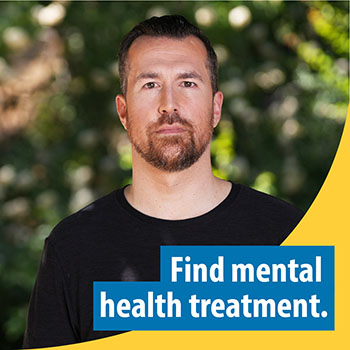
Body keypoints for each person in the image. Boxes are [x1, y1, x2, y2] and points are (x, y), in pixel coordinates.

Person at [23, 15, 304, 348]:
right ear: (123, 112)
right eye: (150, 84)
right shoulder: (72, 248)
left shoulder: (289, 238)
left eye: (188, 83)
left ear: (215, 109)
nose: (169, 104)